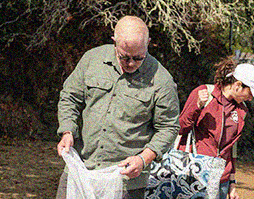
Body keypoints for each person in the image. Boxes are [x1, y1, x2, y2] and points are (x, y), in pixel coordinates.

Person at [56, 16, 180, 198]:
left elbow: (169, 127)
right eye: (124, 57)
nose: (130, 63)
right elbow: (70, 97)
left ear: (148, 44)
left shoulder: (162, 80)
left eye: (138, 58)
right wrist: (67, 131)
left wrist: (143, 159)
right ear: (114, 42)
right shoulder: (92, 59)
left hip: (126, 182)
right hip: (81, 169)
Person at [178, 59, 254, 199]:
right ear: (237, 85)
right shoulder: (204, 93)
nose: (250, 99)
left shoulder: (241, 110)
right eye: (249, 94)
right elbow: (180, 127)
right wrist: (197, 107)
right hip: (195, 174)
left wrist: (232, 184)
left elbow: (230, 149)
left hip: (221, 179)